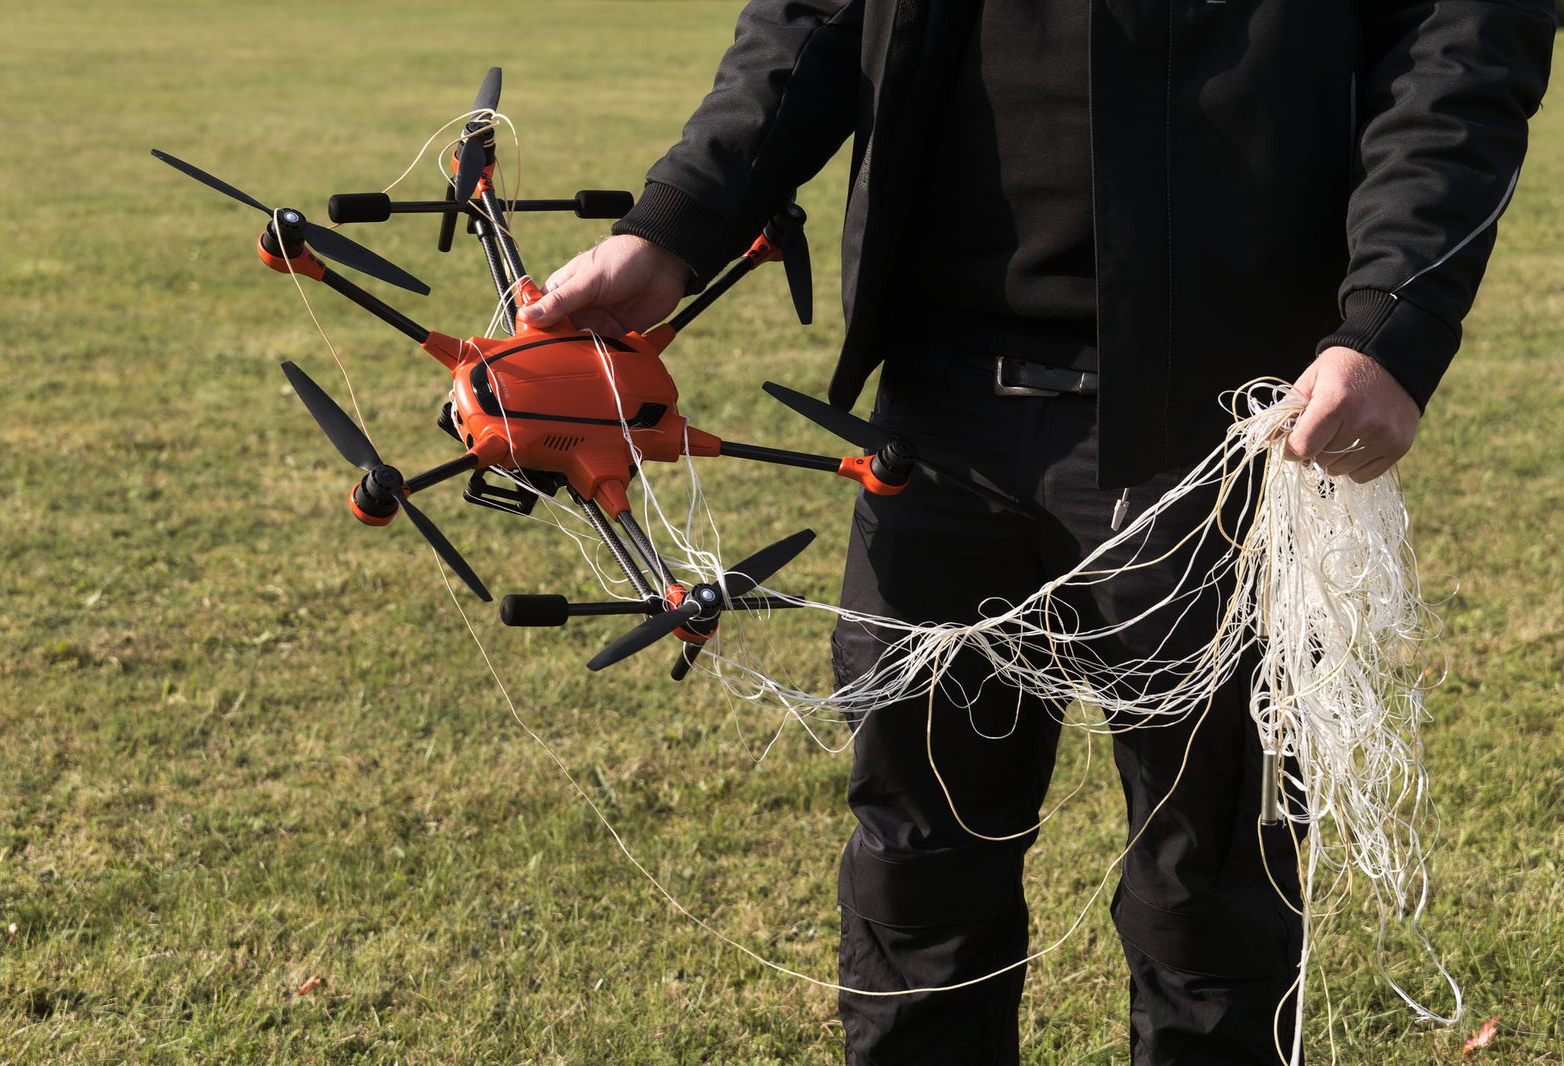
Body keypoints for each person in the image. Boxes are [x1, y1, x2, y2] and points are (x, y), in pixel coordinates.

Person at [519, 2, 1556, 1062]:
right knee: (915, 871)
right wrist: (677, 221)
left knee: (1210, 891)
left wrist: (1393, 317)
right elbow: (816, 18)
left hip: (1224, 423)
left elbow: (1460, 38)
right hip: (938, 411)